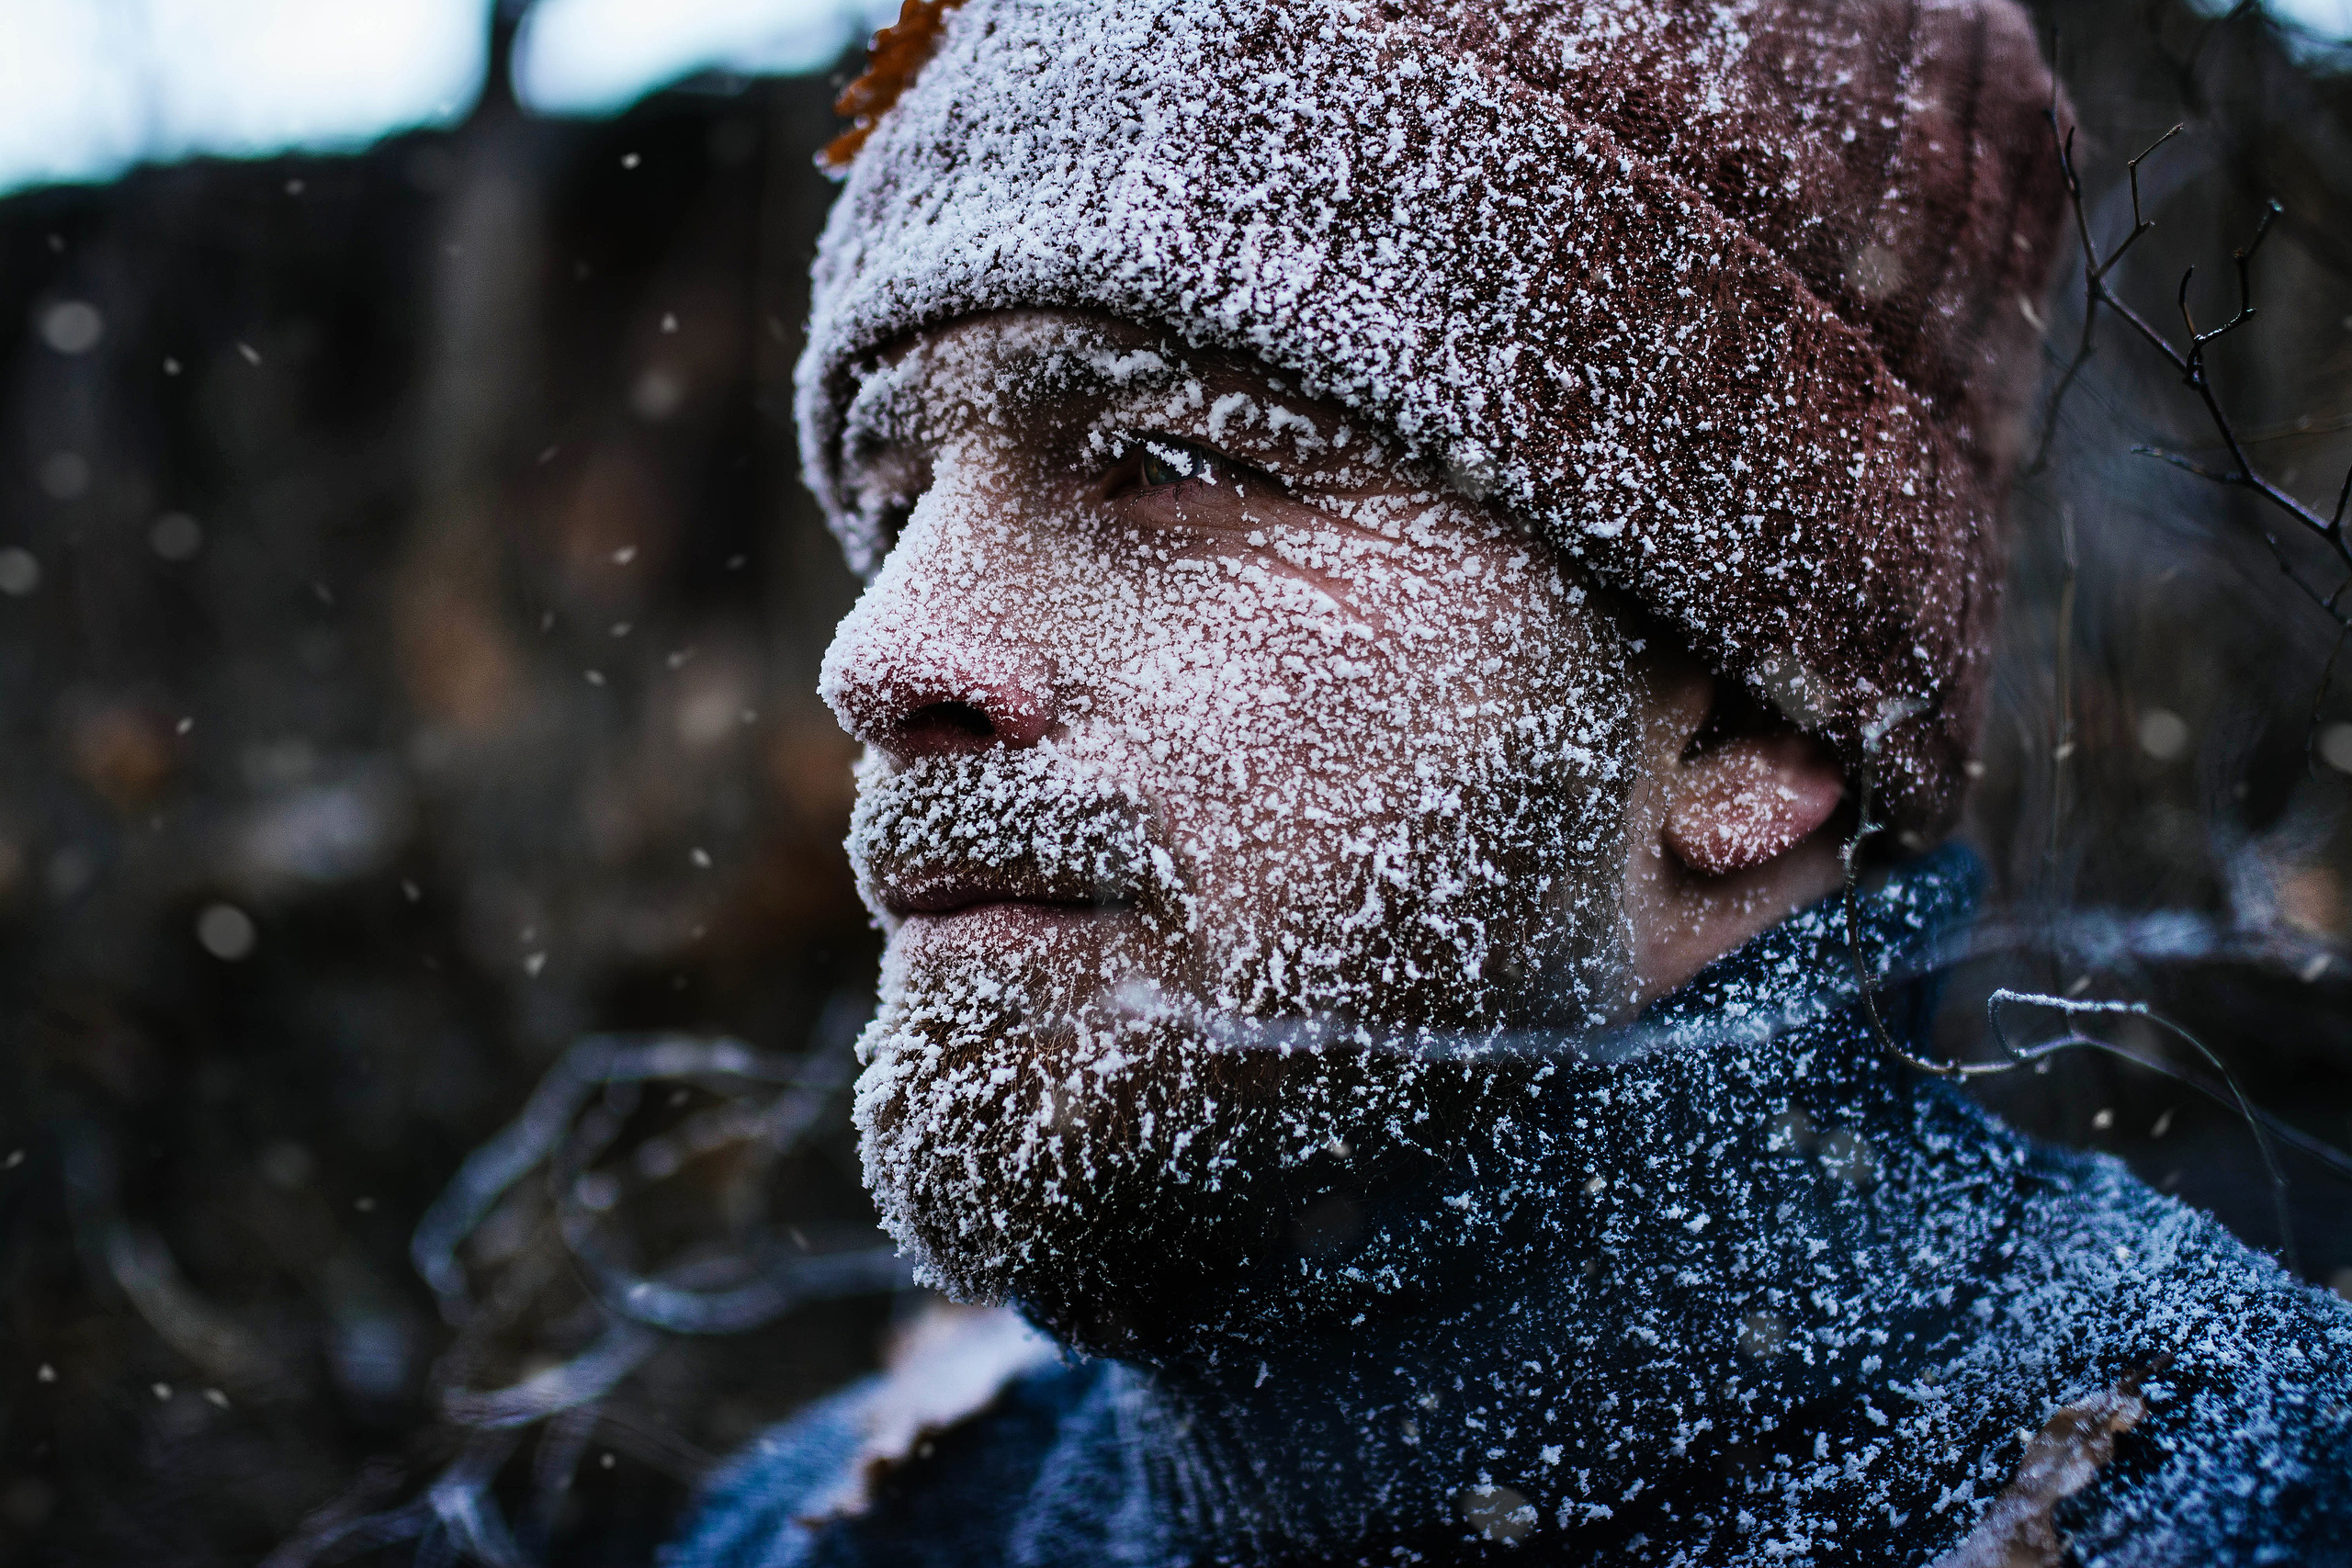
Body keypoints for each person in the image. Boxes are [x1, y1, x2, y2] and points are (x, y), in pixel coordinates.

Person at [673, 0, 2352, 1561]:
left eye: (1169, 462)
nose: (881, 655)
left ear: (1754, 733)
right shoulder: (814, 1529)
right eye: (896, 511)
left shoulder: (2254, 1500)